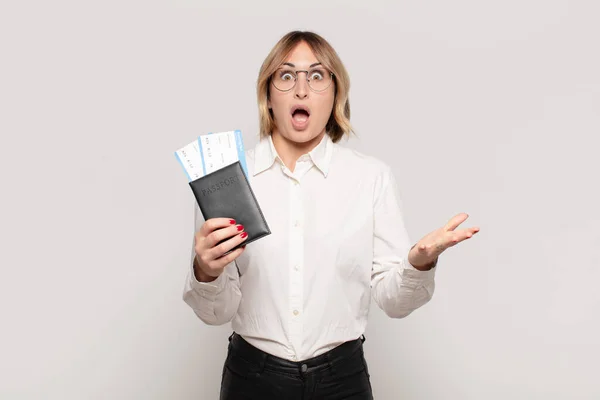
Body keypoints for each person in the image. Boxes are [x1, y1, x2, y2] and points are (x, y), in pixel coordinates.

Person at [182, 30, 479, 400]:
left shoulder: (371, 178)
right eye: (286, 76)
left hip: (343, 381)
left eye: (317, 76)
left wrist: (418, 263)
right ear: (268, 95)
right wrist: (205, 271)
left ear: (336, 94)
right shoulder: (226, 181)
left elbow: (394, 302)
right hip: (252, 380)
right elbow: (216, 313)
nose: (301, 90)